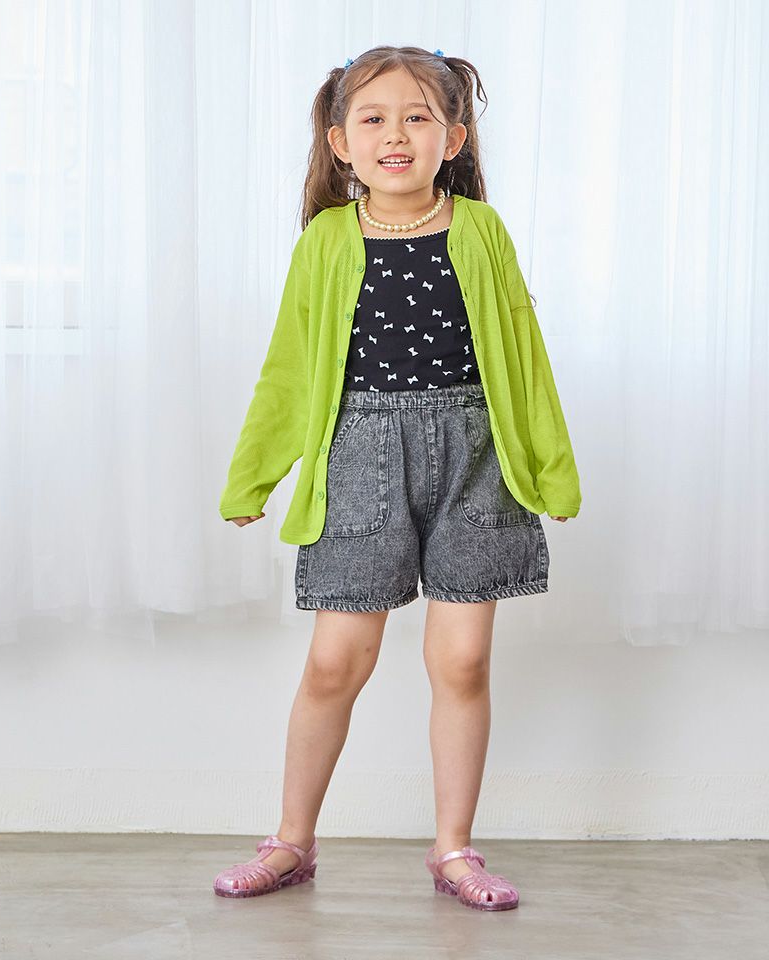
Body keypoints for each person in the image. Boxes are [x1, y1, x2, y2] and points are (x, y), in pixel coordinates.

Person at [213, 45, 581, 911]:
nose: (396, 136)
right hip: (359, 460)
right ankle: (291, 841)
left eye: (418, 117)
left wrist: (551, 468)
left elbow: (522, 356)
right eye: (374, 119)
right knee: (335, 663)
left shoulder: (481, 231)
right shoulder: (326, 241)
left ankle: (453, 849)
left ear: (453, 138)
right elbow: (290, 368)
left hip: (475, 459)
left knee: (463, 661)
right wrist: (254, 476)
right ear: (340, 141)